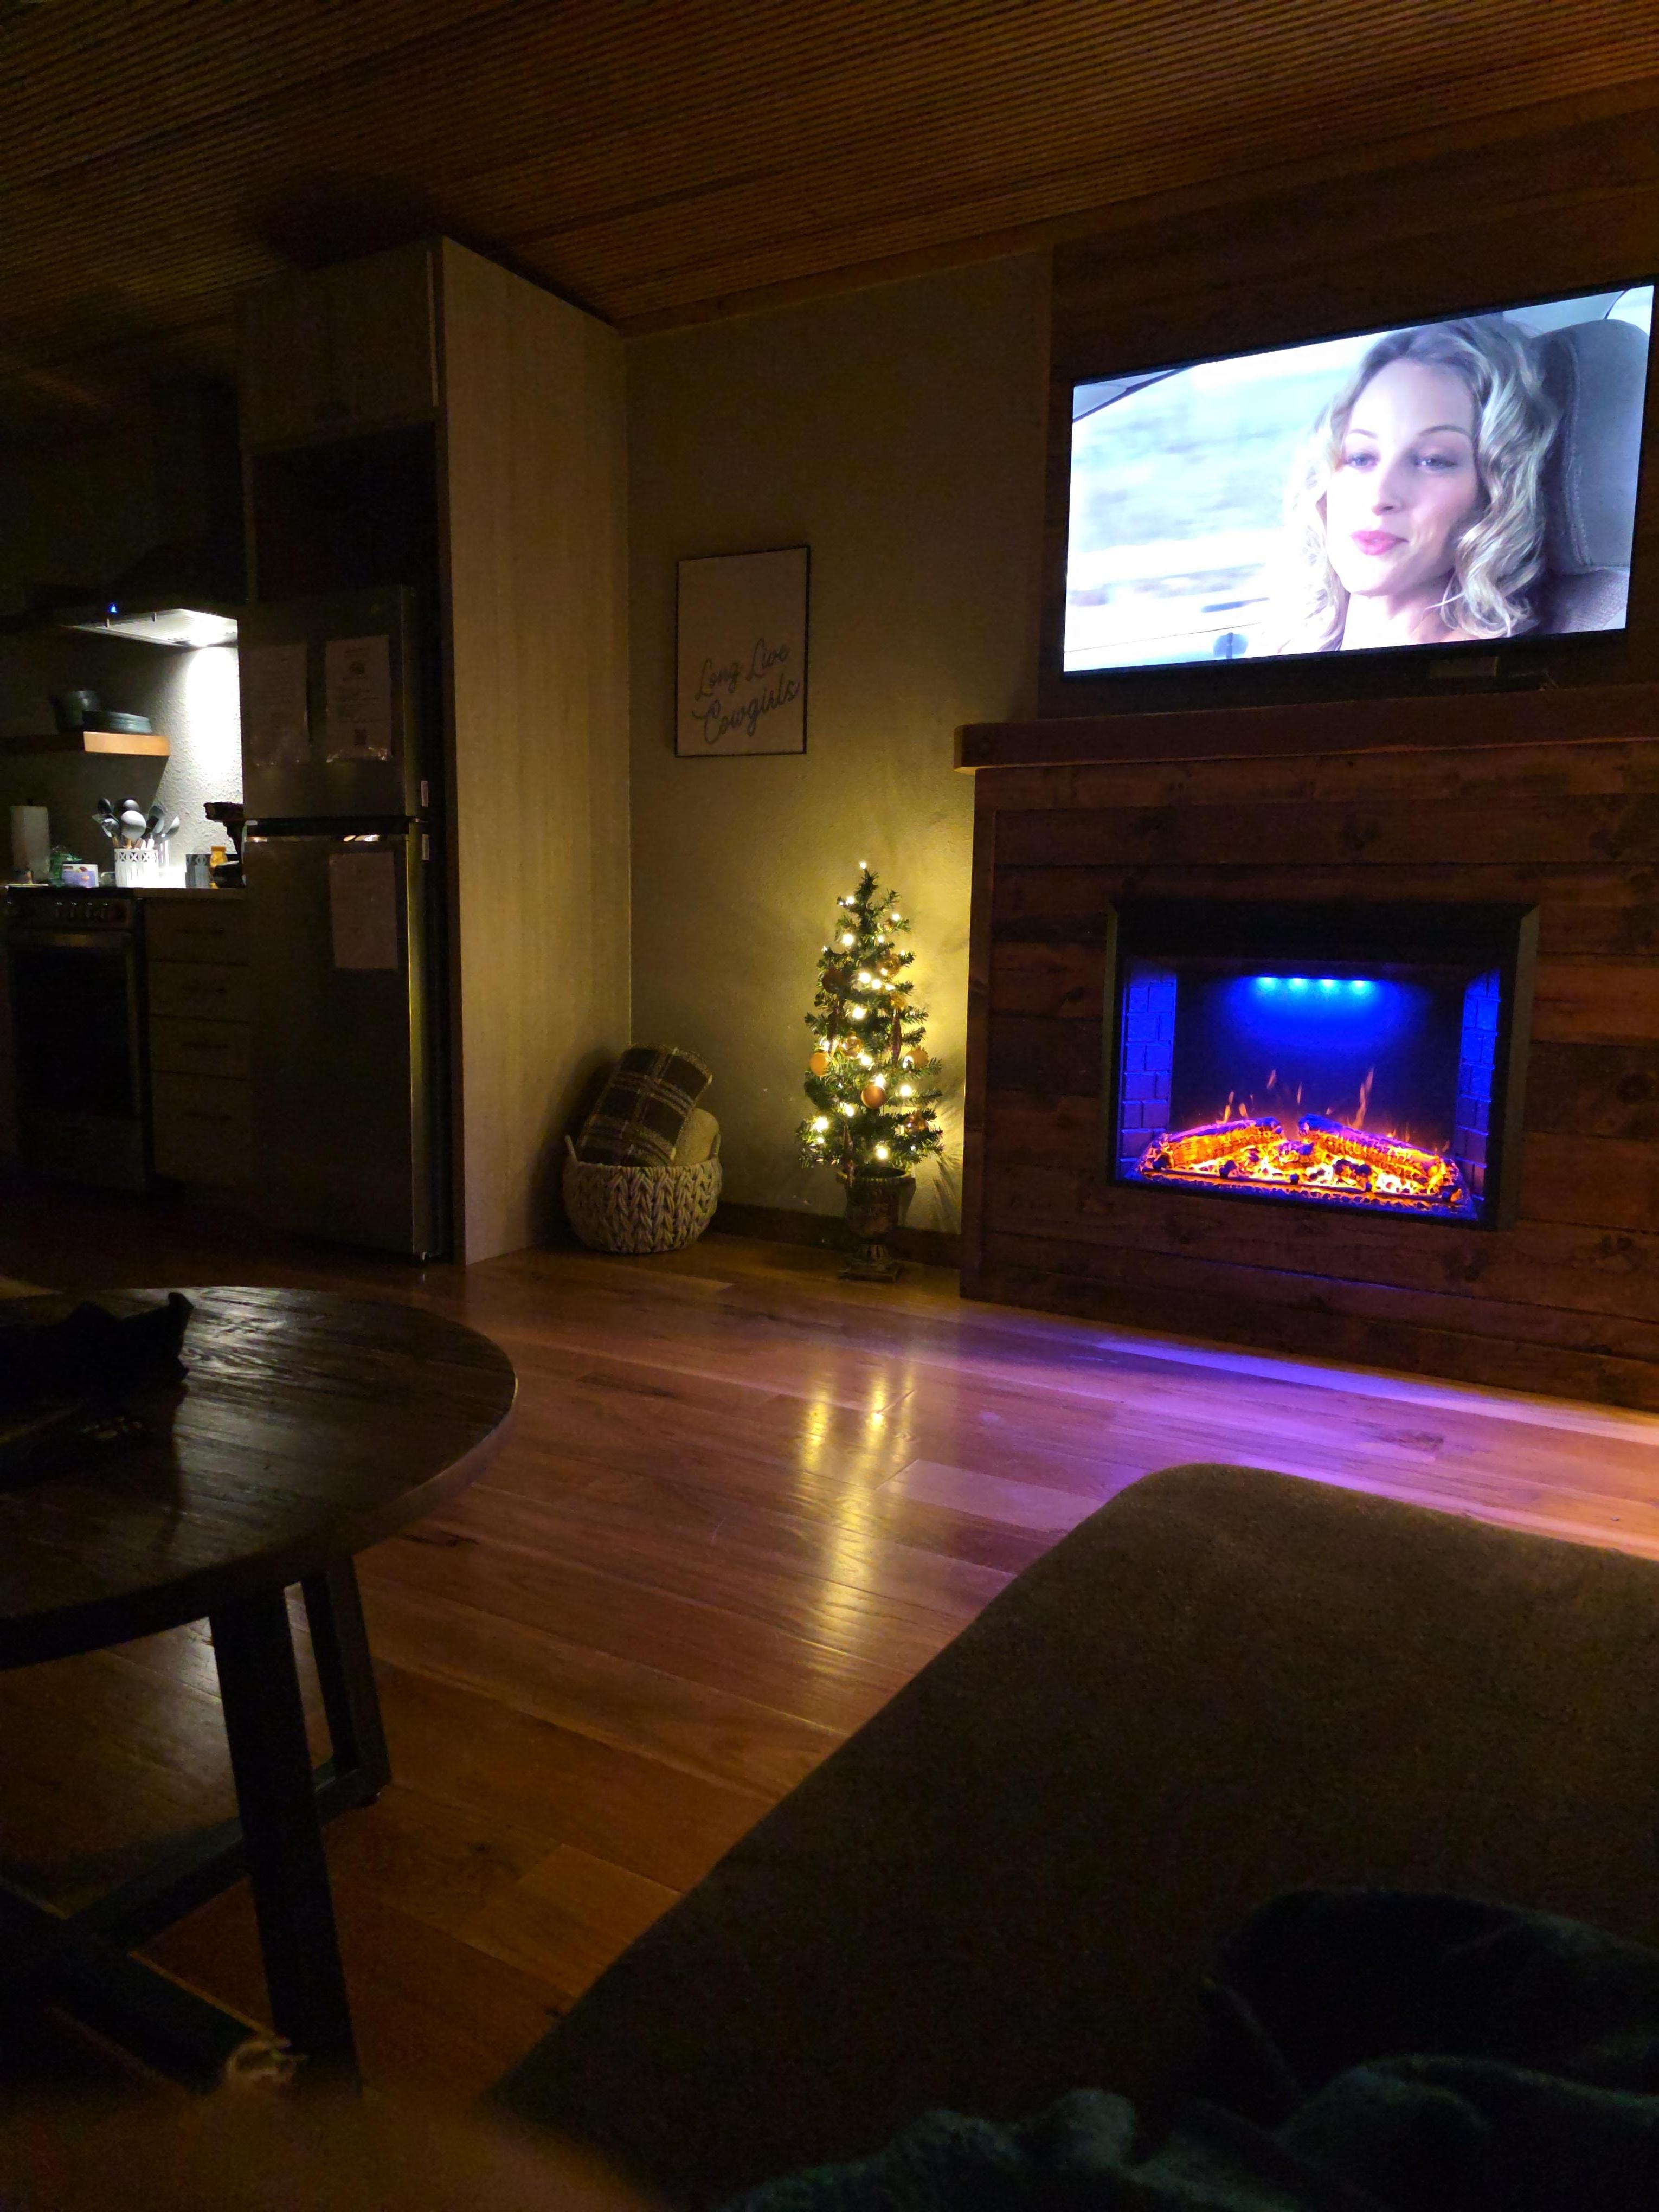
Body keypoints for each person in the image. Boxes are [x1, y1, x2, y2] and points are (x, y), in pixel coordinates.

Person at [1275, 319, 1559, 653]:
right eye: (1361, 457)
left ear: (1495, 493)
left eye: (1433, 461)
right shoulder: (1288, 641)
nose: (1379, 496)